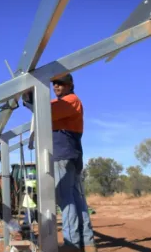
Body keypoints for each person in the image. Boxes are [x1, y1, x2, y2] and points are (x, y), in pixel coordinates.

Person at [50, 73, 96, 251]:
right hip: (71, 154)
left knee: (66, 200)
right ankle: (87, 242)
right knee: (77, 201)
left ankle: (72, 244)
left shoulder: (69, 100)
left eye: (60, 83)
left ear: (70, 85)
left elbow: (44, 112)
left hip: (63, 155)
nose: (56, 86)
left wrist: (29, 98)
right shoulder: (64, 102)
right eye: (54, 83)